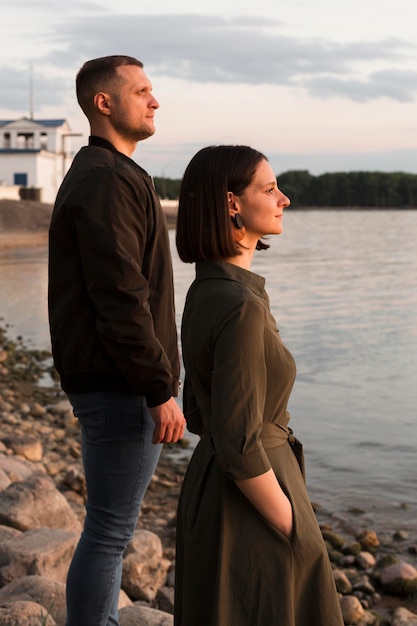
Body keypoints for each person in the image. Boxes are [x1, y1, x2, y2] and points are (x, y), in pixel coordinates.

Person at [174, 145, 344, 626]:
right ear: (232, 204)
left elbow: (200, 415)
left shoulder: (206, 289)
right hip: (252, 495)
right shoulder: (241, 306)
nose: (283, 198)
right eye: (269, 189)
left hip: (212, 487)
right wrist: (298, 529)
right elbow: (241, 444)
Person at [48, 55, 186, 626]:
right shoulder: (105, 178)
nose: (155, 101)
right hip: (122, 384)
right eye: (142, 91)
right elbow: (120, 295)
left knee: (107, 526)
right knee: (109, 531)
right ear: (104, 103)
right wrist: (158, 388)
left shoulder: (110, 174)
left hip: (114, 381)